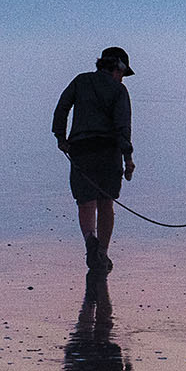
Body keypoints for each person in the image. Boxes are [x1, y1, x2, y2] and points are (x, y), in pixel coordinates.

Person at [51, 46, 137, 273]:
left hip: (81, 150)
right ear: (117, 68)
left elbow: (61, 108)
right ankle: (102, 253)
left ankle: (90, 239)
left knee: (85, 201)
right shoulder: (119, 92)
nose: (122, 79)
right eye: (123, 73)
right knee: (106, 202)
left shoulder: (80, 81)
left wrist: (61, 137)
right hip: (109, 152)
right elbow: (123, 128)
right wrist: (128, 158)